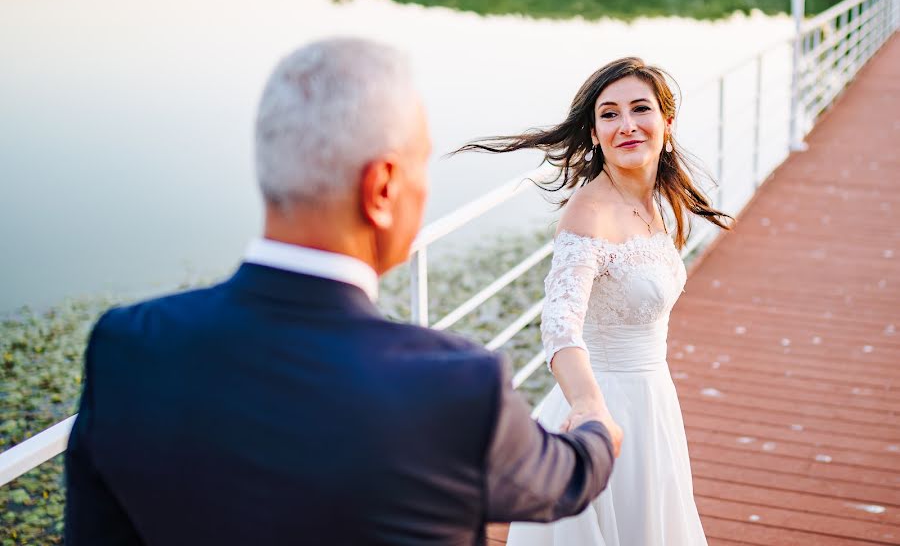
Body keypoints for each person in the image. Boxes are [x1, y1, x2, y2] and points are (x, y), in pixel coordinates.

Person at [64, 38, 623, 546]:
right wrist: (598, 427)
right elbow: (563, 480)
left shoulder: (127, 346)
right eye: (422, 163)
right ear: (381, 188)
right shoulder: (454, 386)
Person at [459, 57, 732, 545]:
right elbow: (560, 328)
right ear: (593, 131)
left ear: (667, 124)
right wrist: (589, 407)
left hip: (653, 400)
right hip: (607, 407)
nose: (626, 125)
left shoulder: (655, 199)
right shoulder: (588, 213)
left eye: (639, 109)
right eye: (609, 114)